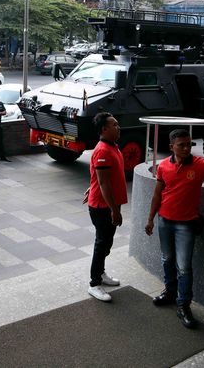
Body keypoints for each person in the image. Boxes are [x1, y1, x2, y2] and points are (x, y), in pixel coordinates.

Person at [144, 129, 204, 328]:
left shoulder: (200, 165)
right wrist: (150, 219)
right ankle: (170, 292)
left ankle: (183, 305)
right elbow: (157, 194)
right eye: (182, 145)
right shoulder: (163, 166)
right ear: (171, 147)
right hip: (164, 221)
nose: (187, 148)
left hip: (185, 225)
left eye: (189, 144)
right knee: (167, 259)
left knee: (184, 267)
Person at [85, 112, 127, 302]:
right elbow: (104, 183)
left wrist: (91, 185)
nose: (118, 127)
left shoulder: (112, 146)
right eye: (114, 125)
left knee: (106, 243)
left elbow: (100, 177)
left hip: (108, 204)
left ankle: (101, 274)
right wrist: (115, 211)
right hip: (103, 206)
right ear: (104, 129)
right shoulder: (102, 150)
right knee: (102, 243)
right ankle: (94, 284)